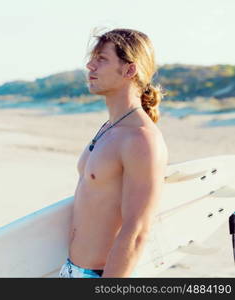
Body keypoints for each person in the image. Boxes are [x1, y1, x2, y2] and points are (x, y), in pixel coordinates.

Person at [59, 28, 169, 278]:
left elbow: (138, 230)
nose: (90, 65)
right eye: (93, 58)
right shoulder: (110, 128)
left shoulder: (141, 139)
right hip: (71, 270)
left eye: (102, 59)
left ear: (130, 70)